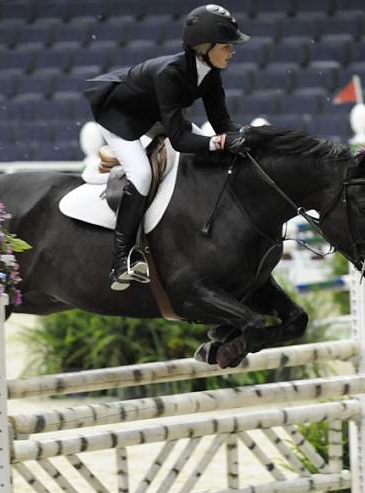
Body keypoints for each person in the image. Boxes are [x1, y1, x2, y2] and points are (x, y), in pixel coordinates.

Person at [84, 4, 251, 291]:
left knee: (211, 148)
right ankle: (121, 260)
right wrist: (221, 142)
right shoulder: (169, 74)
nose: (232, 50)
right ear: (204, 47)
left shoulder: (210, 72)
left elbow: (222, 121)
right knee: (142, 174)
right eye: (226, 45)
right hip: (120, 117)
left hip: (155, 115)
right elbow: (182, 140)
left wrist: (248, 138)